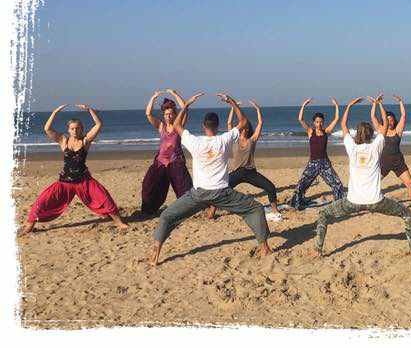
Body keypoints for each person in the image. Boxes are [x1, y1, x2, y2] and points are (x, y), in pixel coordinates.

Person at [148, 93, 271, 266]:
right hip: (222, 194)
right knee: (256, 208)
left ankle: (155, 252)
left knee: (167, 216)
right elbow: (242, 122)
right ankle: (264, 247)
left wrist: (186, 105)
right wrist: (232, 102)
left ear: (203, 126)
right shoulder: (224, 139)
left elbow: (176, 125)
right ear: (218, 126)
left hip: (199, 194)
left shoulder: (194, 141)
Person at [311, 96, 411, 257]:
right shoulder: (376, 147)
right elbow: (385, 126)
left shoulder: (352, 148)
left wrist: (349, 105)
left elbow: (343, 125)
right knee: (407, 214)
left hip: (353, 201)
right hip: (376, 201)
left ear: (357, 136)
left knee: (323, 214)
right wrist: (379, 104)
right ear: (371, 135)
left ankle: (317, 250)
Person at [21, 104, 128, 234]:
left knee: (104, 198)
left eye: (78, 128)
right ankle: (29, 225)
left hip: (84, 181)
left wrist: (89, 110)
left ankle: (119, 223)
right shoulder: (63, 141)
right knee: (42, 201)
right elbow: (47, 128)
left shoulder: (85, 141)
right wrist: (55, 111)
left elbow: (98, 125)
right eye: (72, 128)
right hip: (65, 182)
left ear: (82, 129)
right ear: (68, 130)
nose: (75, 131)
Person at [206, 100, 282, 222]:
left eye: (246, 128)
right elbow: (229, 123)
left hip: (250, 172)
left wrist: (258, 110)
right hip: (236, 172)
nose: (244, 129)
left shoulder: (252, 140)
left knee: (270, 187)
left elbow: (260, 123)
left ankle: (275, 210)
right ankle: (212, 212)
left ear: (248, 129)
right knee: (220, 189)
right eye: (243, 127)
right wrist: (233, 106)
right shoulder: (233, 139)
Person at [140, 89, 194, 215]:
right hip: (160, 163)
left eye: (170, 114)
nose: (168, 116)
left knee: (184, 189)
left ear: (175, 114)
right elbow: (148, 114)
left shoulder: (178, 126)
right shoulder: (161, 126)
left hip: (176, 163)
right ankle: (149, 209)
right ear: (163, 115)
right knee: (149, 186)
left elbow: (185, 108)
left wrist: (174, 93)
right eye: (166, 114)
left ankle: (187, 209)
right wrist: (153, 97)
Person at [288, 97, 345, 210]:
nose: (319, 124)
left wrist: (336, 105)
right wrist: (304, 104)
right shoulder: (310, 132)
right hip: (313, 163)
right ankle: (297, 203)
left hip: (325, 163)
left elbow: (337, 118)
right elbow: (300, 119)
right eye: (317, 122)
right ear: (314, 123)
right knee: (302, 184)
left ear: (323, 122)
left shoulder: (326, 132)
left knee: (337, 183)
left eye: (321, 122)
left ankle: (339, 204)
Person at [379, 95, 411, 210]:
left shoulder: (398, 130)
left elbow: (403, 116)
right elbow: (373, 118)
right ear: (384, 121)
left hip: (398, 162)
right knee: (374, 184)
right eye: (387, 120)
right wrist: (378, 104)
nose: (390, 122)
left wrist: (401, 101)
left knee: (410, 184)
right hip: (384, 163)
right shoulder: (382, 131)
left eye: (391, 120)